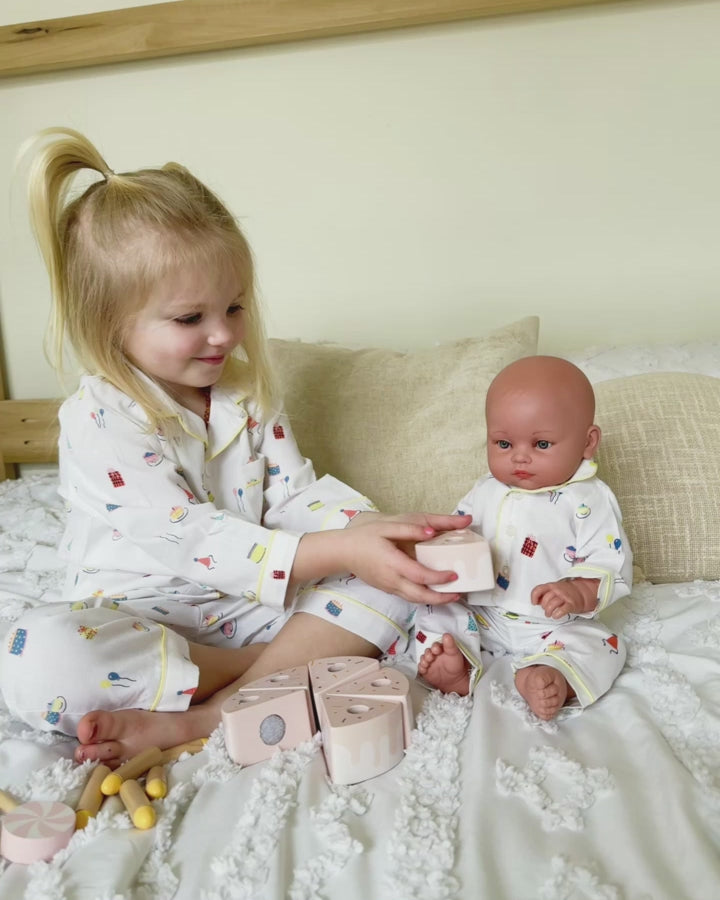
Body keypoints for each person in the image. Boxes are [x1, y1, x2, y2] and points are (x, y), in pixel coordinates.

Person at [0, 127, 471, 766]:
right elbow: (191, 536)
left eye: (235, 307)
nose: (223, 335)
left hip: (247, 603)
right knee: (33, 656)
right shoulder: (98, 420)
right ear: (110, 324)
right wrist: (337, 550)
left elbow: (293, 497)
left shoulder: (245, 394)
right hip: (143, 618)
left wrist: (368, 530)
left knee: (393, 580)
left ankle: (209, 716)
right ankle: (266, 671)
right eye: (190, 318)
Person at [415, 355, 632, 720]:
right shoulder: (486, 490)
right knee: (433, 609)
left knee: (607, 646)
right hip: (482, 614)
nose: (519, 457)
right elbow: (458, 531)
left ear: (587, 441)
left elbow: (612, 564)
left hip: (553, 625)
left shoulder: (588, 501)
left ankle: (549, 675)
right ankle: (456, 665)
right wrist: (443, 548)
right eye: (503, 444)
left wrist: (577, 591)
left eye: (541, 445)